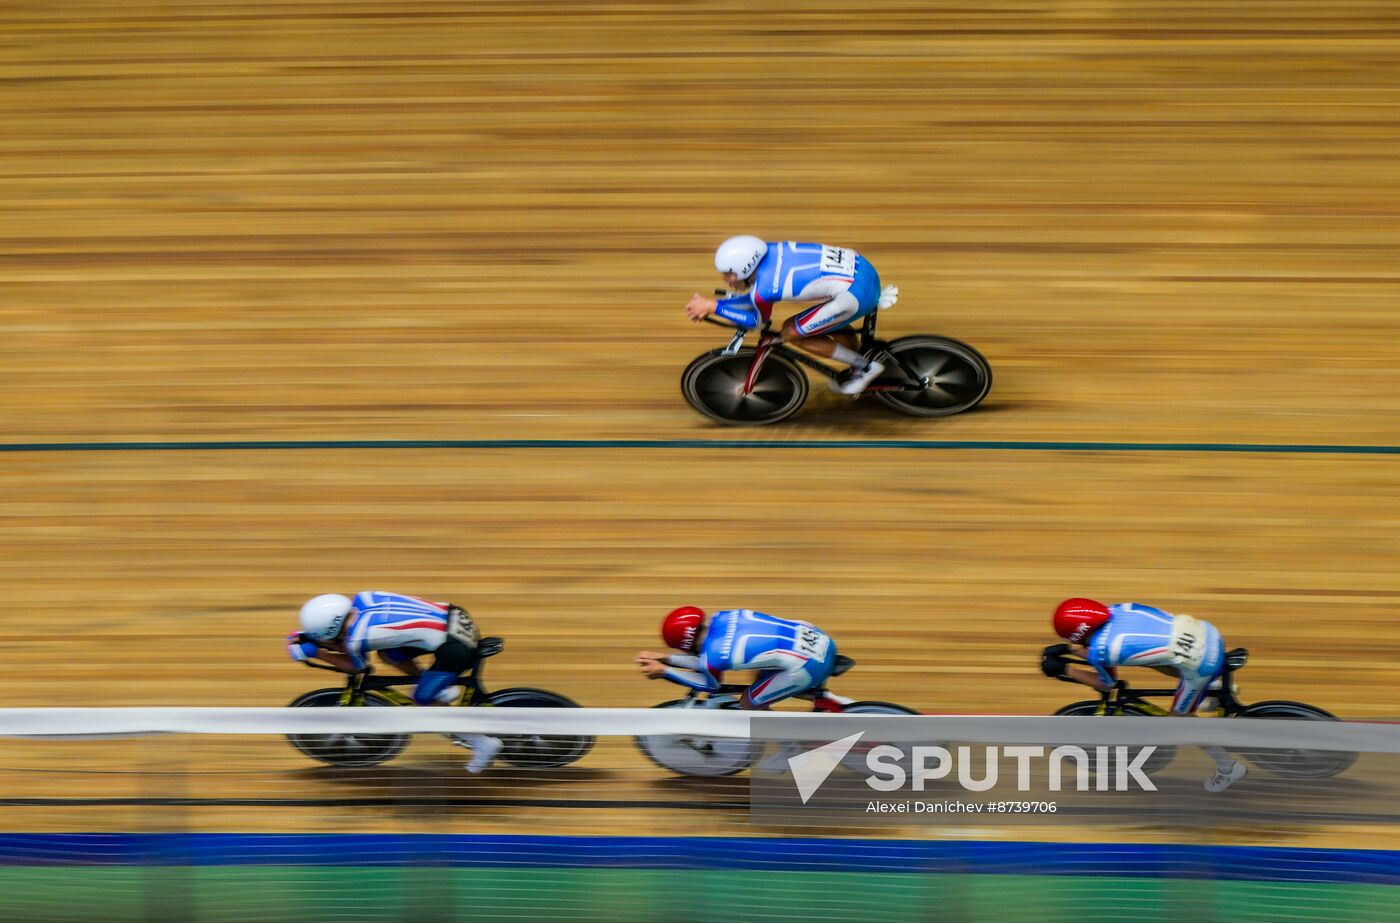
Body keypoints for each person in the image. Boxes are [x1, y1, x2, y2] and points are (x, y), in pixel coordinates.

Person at [1041, 597, 1246, 792]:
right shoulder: (1116, 610)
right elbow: (1104, 645)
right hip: (1206, 632)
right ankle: (1212, 688)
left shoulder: (1104, 650)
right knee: (1157, 657)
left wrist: (1064, 669)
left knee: (1181, 723)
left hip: (1202, 662)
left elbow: (1106, 684)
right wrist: (1070, 649)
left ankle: (1228, 768)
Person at [287, 591, 502, 773]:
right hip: (455, 616)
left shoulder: (358, 637)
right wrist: (311, 636)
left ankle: (483, 743)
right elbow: (343, 638)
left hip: (455, 647)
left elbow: (356, 666)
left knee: (422, 699)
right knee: (389, 654)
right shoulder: (363, 598)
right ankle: (436, 684)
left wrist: (316, 652)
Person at [684, 236, 899, 396]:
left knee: (792, 331)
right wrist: (713, 304)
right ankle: (860, 358)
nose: (726, 280)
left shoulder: (767, 287)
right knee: (824, 320)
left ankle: (866, 366)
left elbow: (757, 321)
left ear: (747, 267)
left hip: (855, 294)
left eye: (729, 274)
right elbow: (752, 299)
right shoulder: (770, 249)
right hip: (863, 270)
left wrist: (714, 307)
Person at [635, 606, 837, 708]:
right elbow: (704, 660)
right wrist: (666, 658)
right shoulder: (722, 616)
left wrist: (664, 671)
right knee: (762, 677)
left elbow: (709, 685)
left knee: (750, 702)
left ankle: (787, 749)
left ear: (684, 645)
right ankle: (833, 702)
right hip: (820, 639)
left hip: (809, 666)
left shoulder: (712, 657)